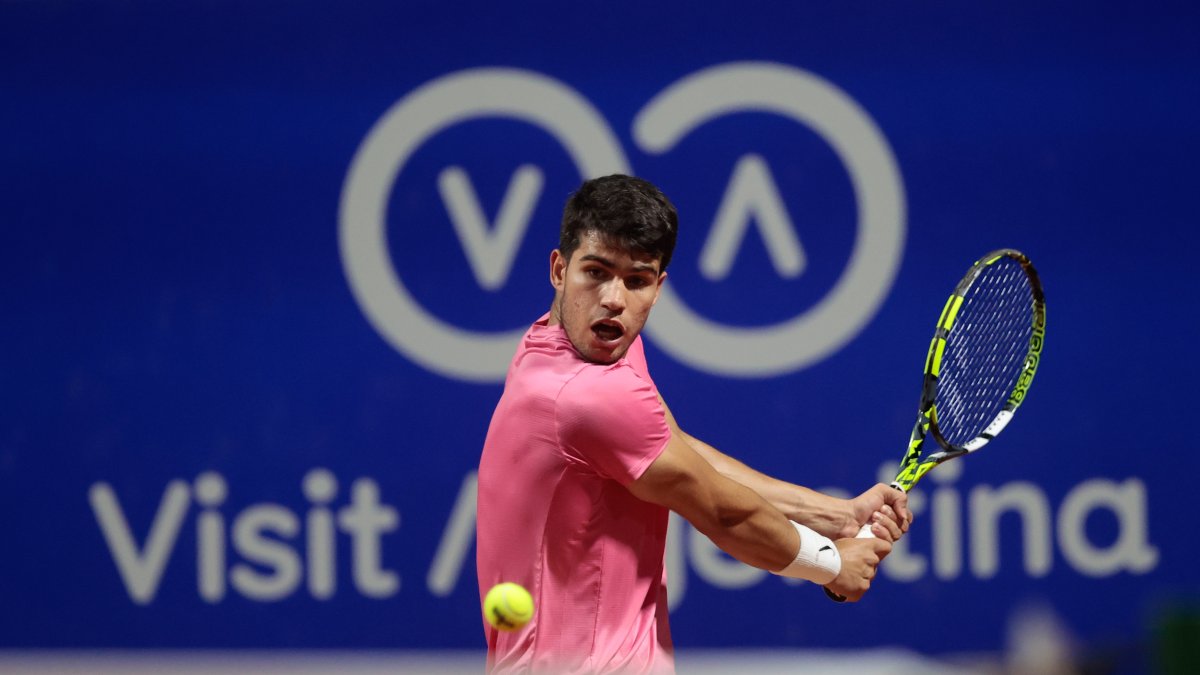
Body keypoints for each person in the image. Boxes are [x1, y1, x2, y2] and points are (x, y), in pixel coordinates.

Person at [476, 174, 911, 674]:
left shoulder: (572, 344)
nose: (614, 299)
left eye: (636, 280)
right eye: (595, 272)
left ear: (657, 287)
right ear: (559, 269)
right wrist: (832, 565)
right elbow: (723, 512)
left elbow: (675, 448)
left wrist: (837, 516)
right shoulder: (588, 396)